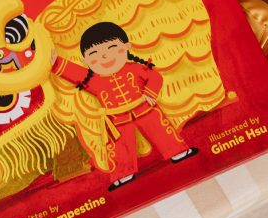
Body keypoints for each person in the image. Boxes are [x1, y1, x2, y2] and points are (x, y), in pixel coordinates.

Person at [52, 21, 197, 190]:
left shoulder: (135, 68)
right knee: (119, 147)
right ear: (86, 60)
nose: (104, 57)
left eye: (112, 47)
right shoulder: (94, 80)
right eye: (94, 53)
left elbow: (155, 77)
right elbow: (74, 72)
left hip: (144, 108)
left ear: (127, 46)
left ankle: (178, 151)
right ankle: (122, 174)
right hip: (117, 118)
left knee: (162, 130)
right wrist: (54, 62)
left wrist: (150, 93)